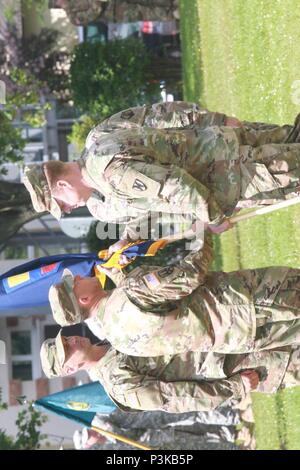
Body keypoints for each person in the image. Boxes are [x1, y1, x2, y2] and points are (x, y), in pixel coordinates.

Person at [24, 101, 300, 247]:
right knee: (292, 138)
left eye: (62, 205)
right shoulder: (96, 141)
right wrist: (127, 241)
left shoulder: (111, 175)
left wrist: (214, 219)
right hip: (222, 142)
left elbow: (175, 186)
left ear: (61, 184)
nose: (69, 209)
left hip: (238, 174)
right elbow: (147, 206)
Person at [48, 233, 300, 356]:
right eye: (76, 283)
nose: (79, 277)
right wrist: (205, 231)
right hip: (246, 303)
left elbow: (153, 310)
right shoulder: (131, 293)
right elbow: (189, 275)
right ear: (83, 299)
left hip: (239, 337)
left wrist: (118, 273)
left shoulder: (117, 339)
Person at [40, 331, 299, 413]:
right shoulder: (117, 383)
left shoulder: (112, 337)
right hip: (234, 365)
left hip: (232, 336)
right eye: (67, 349)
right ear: (70, 369)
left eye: (66, 339)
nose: (72, 341)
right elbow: (176, 398)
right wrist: (235, 387)